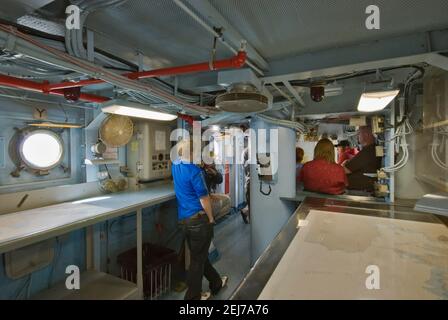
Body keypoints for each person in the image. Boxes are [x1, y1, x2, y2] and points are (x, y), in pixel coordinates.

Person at [171, 138, 228, 300]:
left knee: (199, 255)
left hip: (185, 220)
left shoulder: (175, 166)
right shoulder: (195, 173)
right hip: (199, 220)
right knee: (197, 260)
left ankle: (216, 282)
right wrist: (211, 218)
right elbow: (204, 199)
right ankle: (192, 297)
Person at [343, 126, 382, 192]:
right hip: (363, 189)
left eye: (359, 133)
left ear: (366, 134)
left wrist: (344, 164)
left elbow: (346, 170)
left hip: (360, 191)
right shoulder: (373, 149)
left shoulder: (368, 151)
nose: (357, 136)